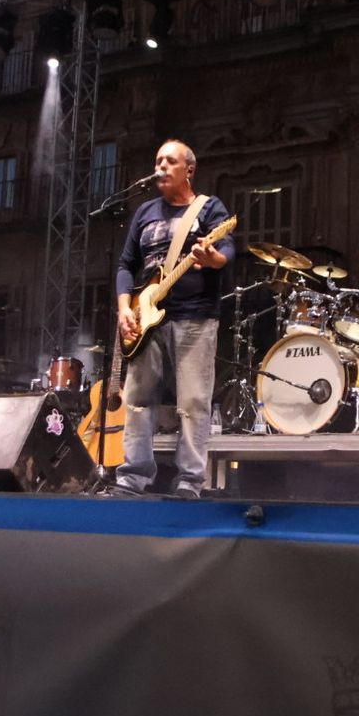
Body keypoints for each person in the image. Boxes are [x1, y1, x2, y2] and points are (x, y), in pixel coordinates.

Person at [113, 140, 235, 498]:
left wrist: (211, 258)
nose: (161, 166)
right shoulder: (145, 211)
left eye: (170, 161)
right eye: (157, 161)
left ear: (189, 170)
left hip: (195, 316)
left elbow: (227, 250)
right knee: (137, 400)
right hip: (145, 317)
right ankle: (132, 478)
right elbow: (125, 265)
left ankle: (189, 482)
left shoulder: (209, 209)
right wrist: (124, 309)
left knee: (193, 403)